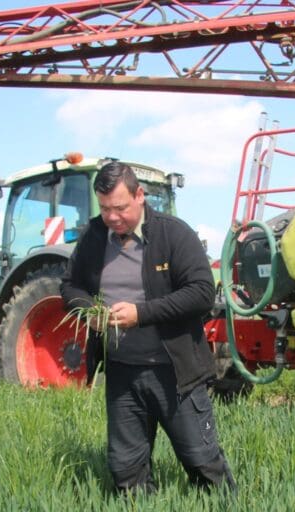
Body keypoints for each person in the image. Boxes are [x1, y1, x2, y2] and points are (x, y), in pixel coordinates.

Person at [60, 161, 237, 494]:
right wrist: (89, 312)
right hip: (122, 372)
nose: (112, 217)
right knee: (126, 470)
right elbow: (70, 286)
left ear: (139, 196)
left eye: (120, 208)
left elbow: (201, 293)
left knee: (201, 462)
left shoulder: (173, 233)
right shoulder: (95, 236)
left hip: (174, 371)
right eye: (105, 208)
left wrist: (141, 314)